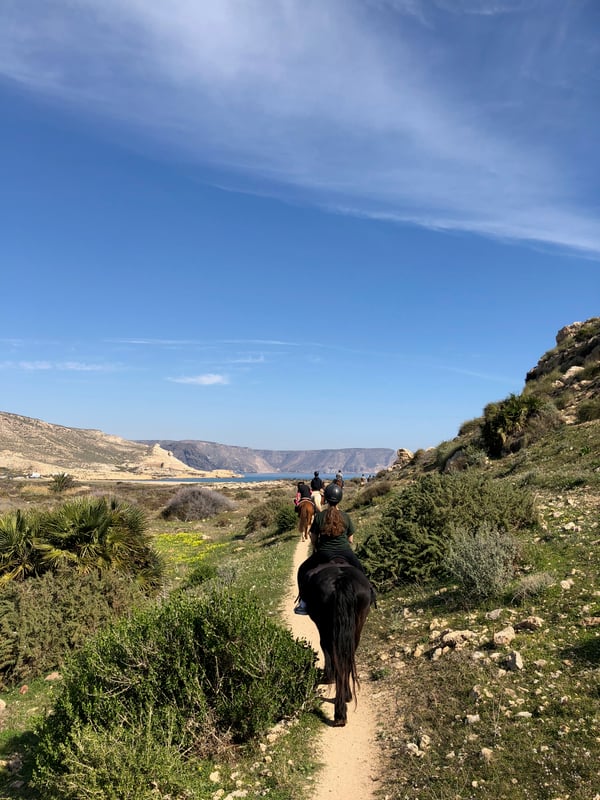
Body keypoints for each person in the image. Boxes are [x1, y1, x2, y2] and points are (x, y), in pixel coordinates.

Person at [294, 482, 371, 614]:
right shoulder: (346, 516)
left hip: (324, 554)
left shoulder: (319, 517)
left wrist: (317, 546)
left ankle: (304, 603)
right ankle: (370, 596)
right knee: (360, 569)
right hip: (345, 553)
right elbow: (350, 539)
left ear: (326, 500)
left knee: (303, 570)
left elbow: (313, 539)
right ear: (340, 498)